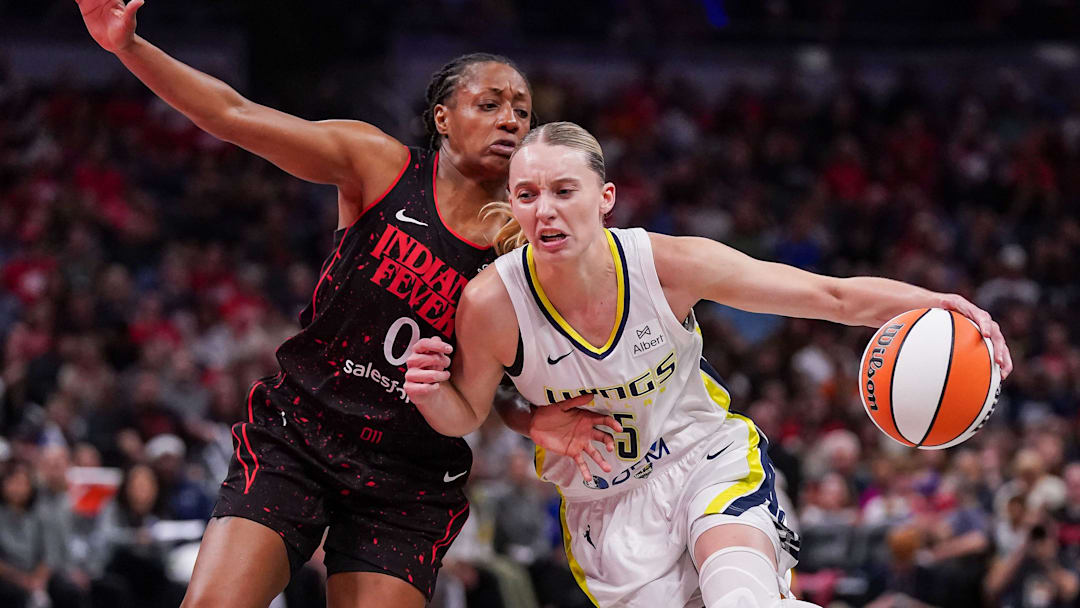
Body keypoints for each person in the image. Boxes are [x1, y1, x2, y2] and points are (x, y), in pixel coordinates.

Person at [75, 2, 616, 606]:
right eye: (489, 104)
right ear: (442, 116)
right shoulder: (377, 164)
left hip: (408, 473)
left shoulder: (523, 248)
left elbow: (482, 388)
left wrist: (526, 418)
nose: (510, 119)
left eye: (521, 109)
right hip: (303, 433)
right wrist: (128, 47)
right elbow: (233, 115)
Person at [404, 121, 1014, 607]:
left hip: (705, 458)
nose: (546, 210)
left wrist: (938, 302)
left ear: (605, 198)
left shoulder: (666, 265)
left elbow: (829, 295)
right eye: (528, 195)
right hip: (608, 506)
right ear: (512, 202)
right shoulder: (490, 303)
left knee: (740, 597)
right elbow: (472, 412)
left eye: (565, 191)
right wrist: (467, 403)